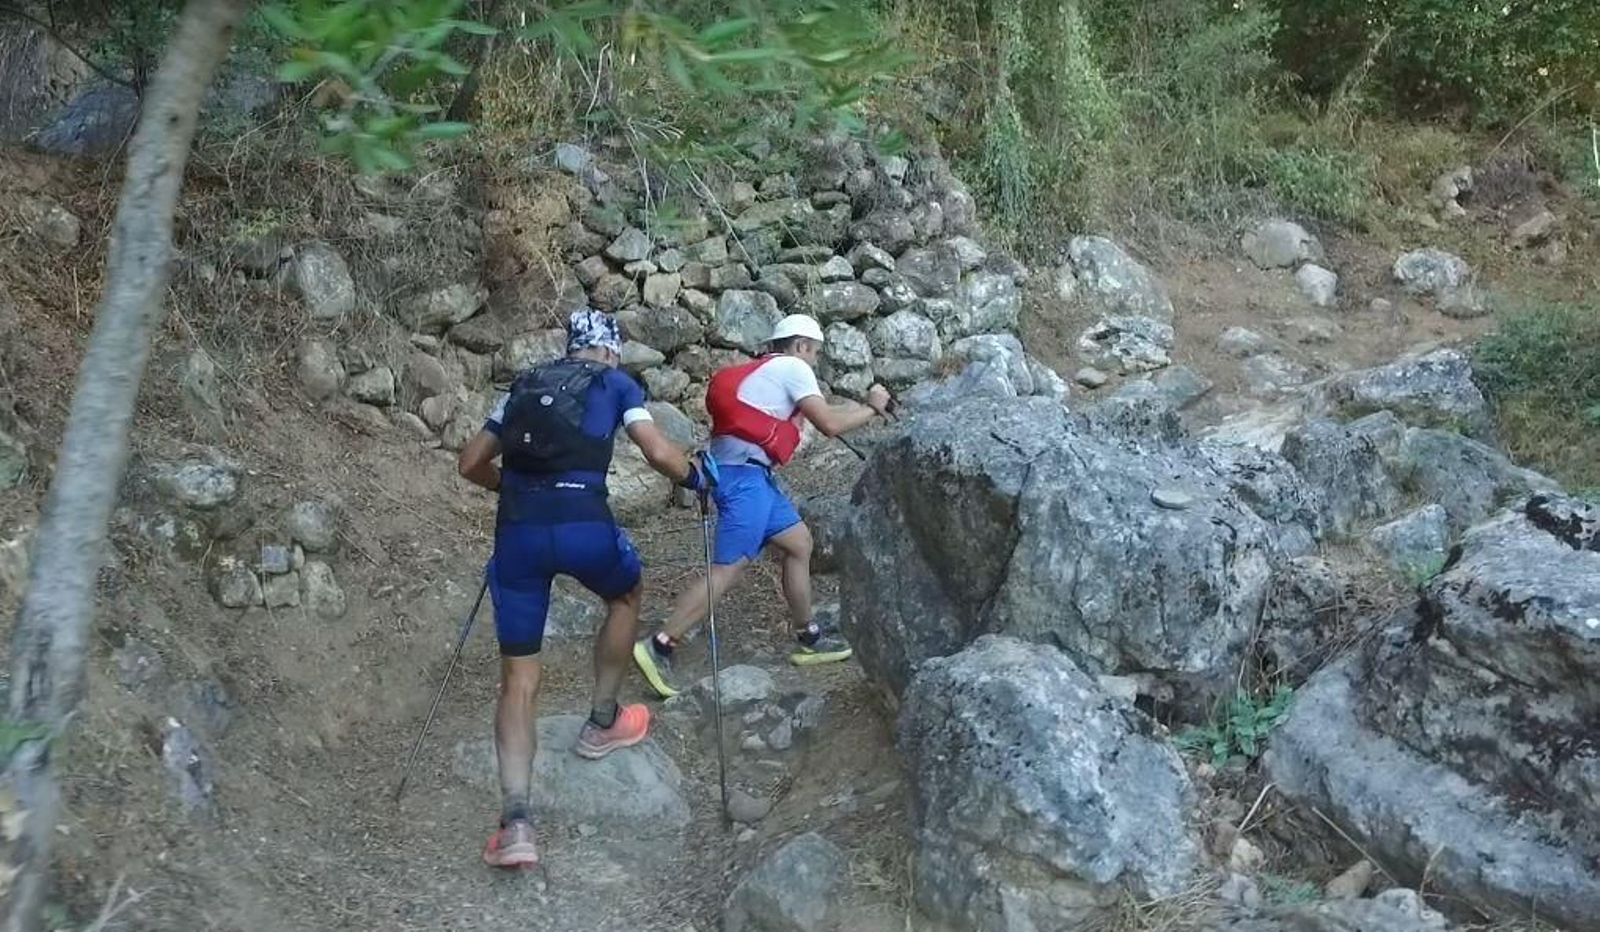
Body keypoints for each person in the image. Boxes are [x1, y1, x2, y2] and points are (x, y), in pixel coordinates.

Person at [455, 308, 713, 870]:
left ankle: (517, 823)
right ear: (612, 351)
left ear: (570, 347)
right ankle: (602, 722)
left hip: (519, 534)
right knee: (623, 595)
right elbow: (656, 451)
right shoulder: (618, 383)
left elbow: (470, 462)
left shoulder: (525, 385)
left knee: (518, 679)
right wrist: (699, 481)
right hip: (585, 527)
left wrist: (510, 489)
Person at [631, 314, 892, 699]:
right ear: (801, 345)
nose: (815, 362)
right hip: (744, 482)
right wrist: (873, 407)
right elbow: (830, 424)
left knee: (799, 543)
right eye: (815, 353)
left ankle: (809, 636)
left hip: (752, 478)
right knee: (729, 568)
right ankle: (659, 644)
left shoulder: (764, 370)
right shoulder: (793, 367)